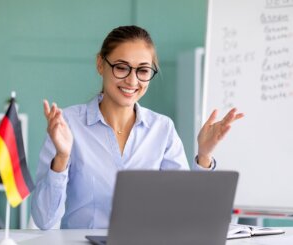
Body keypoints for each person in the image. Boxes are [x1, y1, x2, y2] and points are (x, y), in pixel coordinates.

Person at [31, 25, 243, 230]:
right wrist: (62, 157)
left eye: (143, 70)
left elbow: (189, 214)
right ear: (100, 64)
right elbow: (44, 221)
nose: (132, 81)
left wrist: (204, 155)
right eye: (121, 67)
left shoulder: (162, 129)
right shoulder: (67, 125)